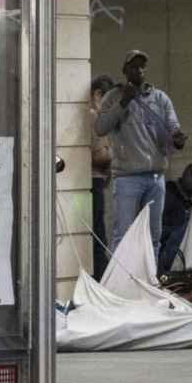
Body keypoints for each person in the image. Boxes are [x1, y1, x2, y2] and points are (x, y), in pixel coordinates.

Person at [94, 50, 186, 254]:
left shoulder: (160, 98)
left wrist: (178, 138)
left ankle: (149, 281)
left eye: (142, 66)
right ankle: (119, 283)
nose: (139, 70)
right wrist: (123, 102)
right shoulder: (114, 96)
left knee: (153, 237)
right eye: (134, 66)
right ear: (125, 70)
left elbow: (173, 127)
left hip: (155, 177)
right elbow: (100, 127)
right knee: (123, 236)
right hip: (127, 178)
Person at [88, 74, 115, 274]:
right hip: (93, 181)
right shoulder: (93, 116)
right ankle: (100, 274)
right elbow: (98, 156)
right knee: (97, 232)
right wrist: (113, 160)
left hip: (98, 180)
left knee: (98, 229)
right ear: (98, 95)